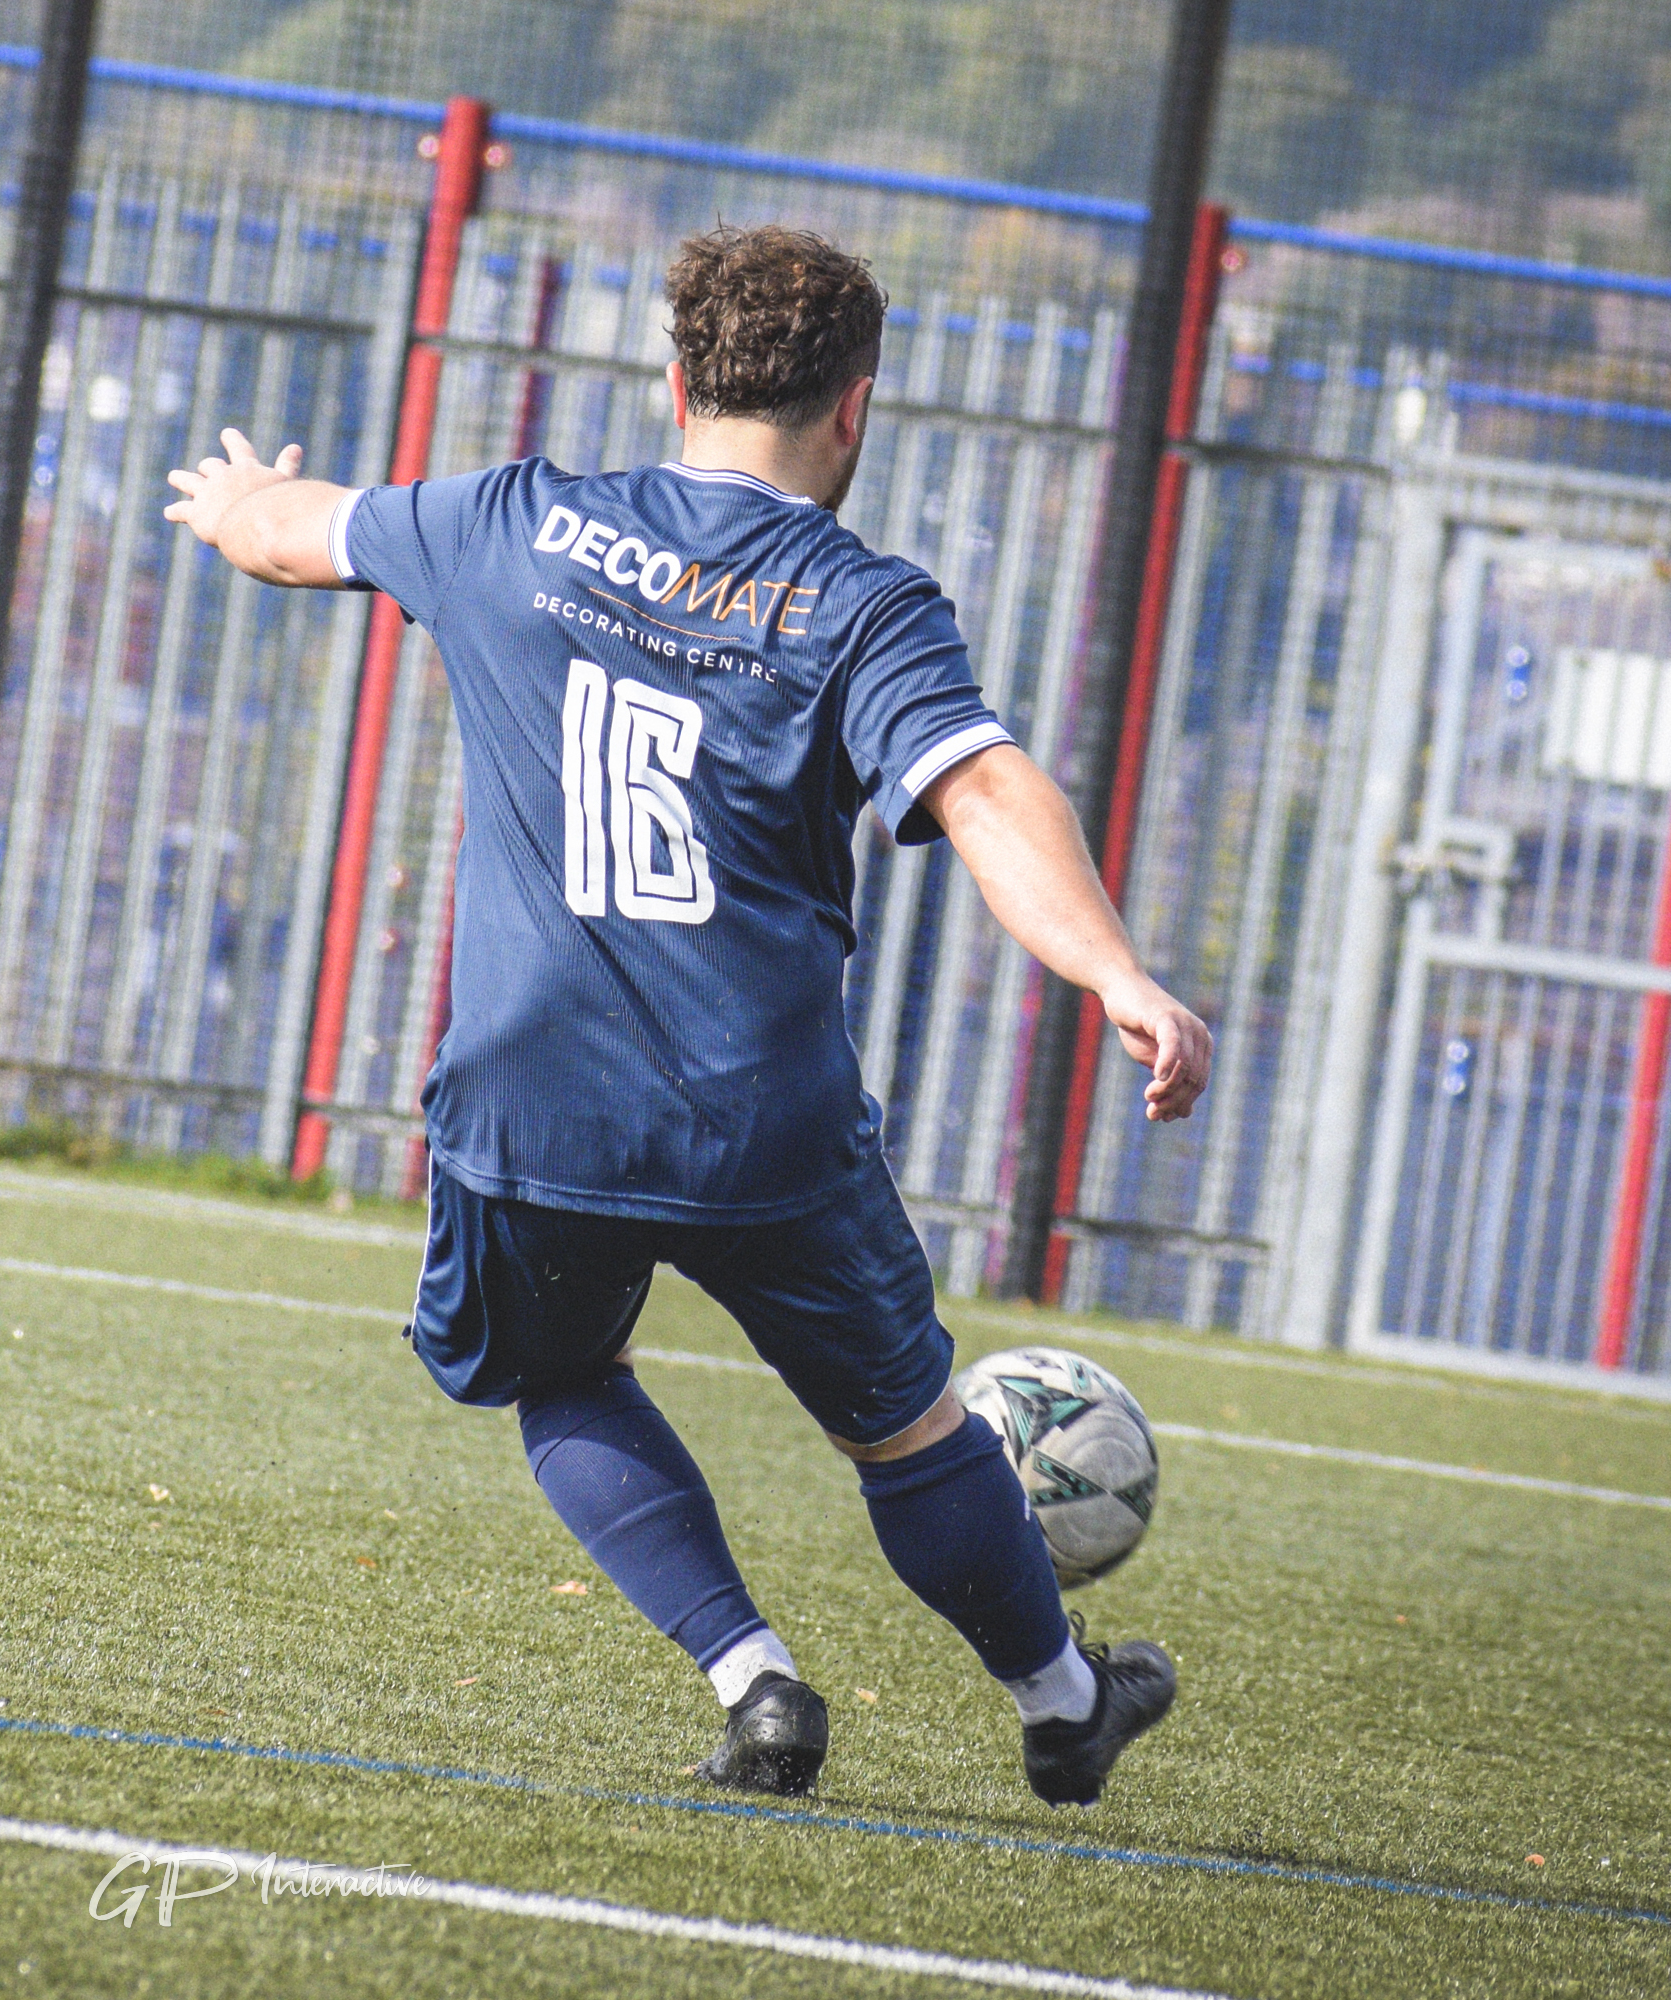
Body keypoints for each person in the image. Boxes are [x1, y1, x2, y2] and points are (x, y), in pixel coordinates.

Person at [162, 224, 1211, 1806]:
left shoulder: (516, 521)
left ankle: (756, 1682)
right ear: (855, 407)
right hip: (761, 1121)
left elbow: (299, 533)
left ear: (675, 381)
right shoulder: (861, 604)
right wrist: (1114, 971)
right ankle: (1061, 1701)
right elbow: (986, 787)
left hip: (531, 1100)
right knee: (912, 1431)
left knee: (561, 1377)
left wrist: (236, 503)